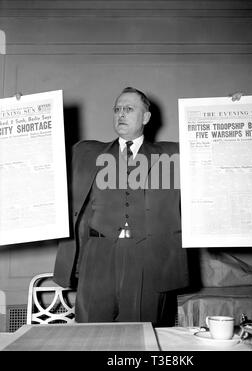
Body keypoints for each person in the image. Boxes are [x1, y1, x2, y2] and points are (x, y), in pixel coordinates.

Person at [53, 87, 189, 326]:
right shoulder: (85, 152)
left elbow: (216, 153)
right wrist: (22, 107)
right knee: (91, 331)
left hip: (147, 256)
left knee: (142, 333)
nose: (121, 114)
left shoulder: (172, 154)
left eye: (129, 109)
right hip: (98, 253)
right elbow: (43, 152)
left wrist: (233, 108)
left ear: (146, 118)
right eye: (117, 109)